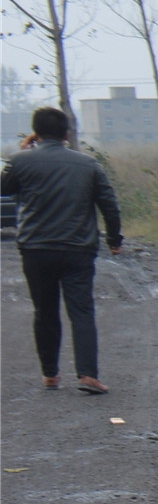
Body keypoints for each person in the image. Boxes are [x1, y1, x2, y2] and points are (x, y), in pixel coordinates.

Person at [2, 107, 125, 394]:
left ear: (36, 133)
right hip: (78, 249)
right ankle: (88, 375)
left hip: (36, 249)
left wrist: (22, 152)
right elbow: (109, 205)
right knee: (81, 311)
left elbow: (4, 189)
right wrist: (114, 239)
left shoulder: (20, 161)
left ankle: (50, 375)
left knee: (44, 311)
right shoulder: (88, 164)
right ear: (67, 133)